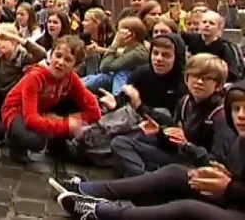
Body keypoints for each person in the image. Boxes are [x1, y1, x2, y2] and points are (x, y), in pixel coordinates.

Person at [51, 78, 245, 220]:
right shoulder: (185, 102)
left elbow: (212, 157)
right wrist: (163, 133)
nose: (241, 116)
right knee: (174, 173)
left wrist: (228, 186)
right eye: (236, 109)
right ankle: (89, 189)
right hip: (199, 169)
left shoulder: (218, 119)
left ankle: (102, 212)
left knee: (187, 209)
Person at [109, 54, 235, 177]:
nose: (199, 82)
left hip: (195, 168)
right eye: (194, 76)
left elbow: (216, 162)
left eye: (207, 78)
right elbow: (174, 141)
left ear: (218, 86)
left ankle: (144, 182)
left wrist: (187, 146)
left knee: (171, 170)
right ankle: (144, 179)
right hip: (178, 157)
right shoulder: (185, 102)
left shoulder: (222, 114)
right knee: (120, 142)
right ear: (186, 79)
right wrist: (160, 132)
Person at [1, 35, 102, 163]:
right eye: (58, 56)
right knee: (36, 141)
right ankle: (13, 139)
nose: (60, 62)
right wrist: (66, 125)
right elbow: (30, 120)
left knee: (72, 105)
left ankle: (56, 146)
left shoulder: (71, 78)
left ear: (75, 66)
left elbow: (94, 111)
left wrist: (71, 120)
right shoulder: (35, 77)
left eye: (68, 59)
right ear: (51, 55)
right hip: (16, 111)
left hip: (41, 109)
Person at [83, 17, 149, 95]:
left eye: (119, 32)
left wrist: (115, 44)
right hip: (118, 79)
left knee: (120, 73)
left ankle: (118, 102)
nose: (117, 35)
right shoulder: (130, 48)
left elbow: (105, 67)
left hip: (133, 85)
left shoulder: (138, 54)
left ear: (131, 35)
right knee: (102, 77)